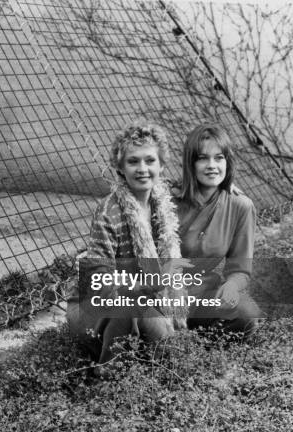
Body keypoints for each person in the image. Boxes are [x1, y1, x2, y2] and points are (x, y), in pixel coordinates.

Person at [66, 121, 187, 364]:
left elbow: (203, 179)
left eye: (150, 160)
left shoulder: (162, 204)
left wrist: (228, 186)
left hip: (146, 300)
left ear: (162, 165)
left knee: (165, 344)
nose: (142, 169)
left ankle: (140, 364)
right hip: (99, 304)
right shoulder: (109, 211)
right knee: (130, 309)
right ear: (120, 167)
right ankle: (108, 374)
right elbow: (98, 277)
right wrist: (139, 287)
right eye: (133, 161)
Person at [176, 123, 261, 337]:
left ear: (228, 161)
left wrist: (232, 285)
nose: (211, 165)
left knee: (246, 314)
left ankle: (194, 342)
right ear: (190, 163)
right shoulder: (167, 199)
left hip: (201, 293)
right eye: (202, 158)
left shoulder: (240, 205)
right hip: (161, 290)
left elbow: (241, 269)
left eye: (219, 157)